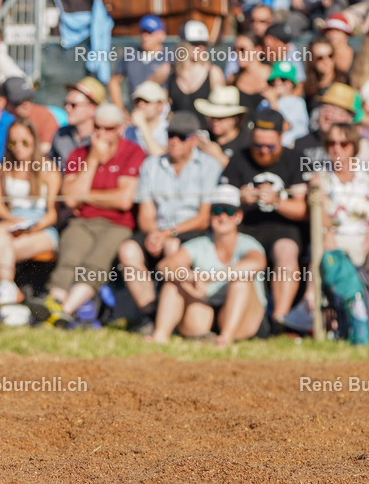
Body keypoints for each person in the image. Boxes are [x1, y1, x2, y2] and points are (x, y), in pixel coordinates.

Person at [117, 111, 221, 334]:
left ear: (193, 139)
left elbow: (204, 218)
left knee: (172, 247)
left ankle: (169, 320)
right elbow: (146, 214)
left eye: (181, 136)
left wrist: (167, 233)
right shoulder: (151, 165)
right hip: (160, 230)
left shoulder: (209, 166)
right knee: (128, 250)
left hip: (192, 231)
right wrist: (154, 233)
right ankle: (151, 313)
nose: (174, 141)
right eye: (171, 134)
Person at [50, 103, 145, 325]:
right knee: (69, 259)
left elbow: (123, 201)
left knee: (94, 265)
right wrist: (92, 159)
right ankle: (54, 306)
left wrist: (85, 194)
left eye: (108, 128)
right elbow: (71, 200)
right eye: (97, 127)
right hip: (82, 221)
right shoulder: (80, 153)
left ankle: (62, 312)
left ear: (121, 129)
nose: (101, 133)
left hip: (117, 224)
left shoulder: (133, 152)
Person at [146, 184, 268, 348]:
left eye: (229, 211)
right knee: (173, 283)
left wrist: (208, 277)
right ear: (210, 215)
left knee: (241, 281)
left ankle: (226, 339)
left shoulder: (249, 244)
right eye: (217, 211)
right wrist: (188, 277)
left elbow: (257, 263)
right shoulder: (199, 244)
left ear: (238, 216)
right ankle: (160, 336)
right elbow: (165, 265)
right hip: (204, 312)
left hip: (244, 318)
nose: (222, 217)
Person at [219, 109, 308, 328]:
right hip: (245, 229)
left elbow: (305, 210)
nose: (263, 151)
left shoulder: (295, 159)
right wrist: (239, 197)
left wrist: (277, 202)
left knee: (286, 254)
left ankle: (280, 319)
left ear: (281, 138)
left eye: (270, 146)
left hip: (283, 229)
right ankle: (240, 322)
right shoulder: (239, 158)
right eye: (258, 145)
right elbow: (220, 202)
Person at [0, 119, 61, 319]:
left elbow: (52, 213)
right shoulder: (5, 167)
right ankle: (7, 296)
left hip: (40, 229)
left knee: (1, 251)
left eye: (24, 142)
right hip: (12, 224)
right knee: (0, 238)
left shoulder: (48, 169)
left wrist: (29, 229)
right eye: (13, 143)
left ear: (34, 141)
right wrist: (11, 219)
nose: (18, 147)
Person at [319, 123, 369, 268]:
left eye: (343, 143)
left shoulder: (368, 172)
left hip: (368, 239)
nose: (336, 148)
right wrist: (327, 233)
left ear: (354, 146)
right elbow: (318, 211)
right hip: (335, 239)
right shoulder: (321, 176)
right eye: (331, 143)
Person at [108, 14, 171, 113]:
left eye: (150, 33)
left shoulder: (170, 58)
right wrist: (120, 109)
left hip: (158, 113)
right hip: (134, 110)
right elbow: (114, 81)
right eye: (143, 32)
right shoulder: (131, 55)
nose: (145, 37)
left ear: (162, 35)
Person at [49, 76, 105, 167]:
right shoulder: (60, 135)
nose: (67, 108)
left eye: (73, 105)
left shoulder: (102, 139)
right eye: (66, 103)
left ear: (93, 109)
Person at [194, 86, 250, 168]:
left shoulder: (247, 143)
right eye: (211, 116)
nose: (215, 121)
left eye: (221, 117)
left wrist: (219, 158)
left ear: (235, 118)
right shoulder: (202, 137)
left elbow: (245, 175)